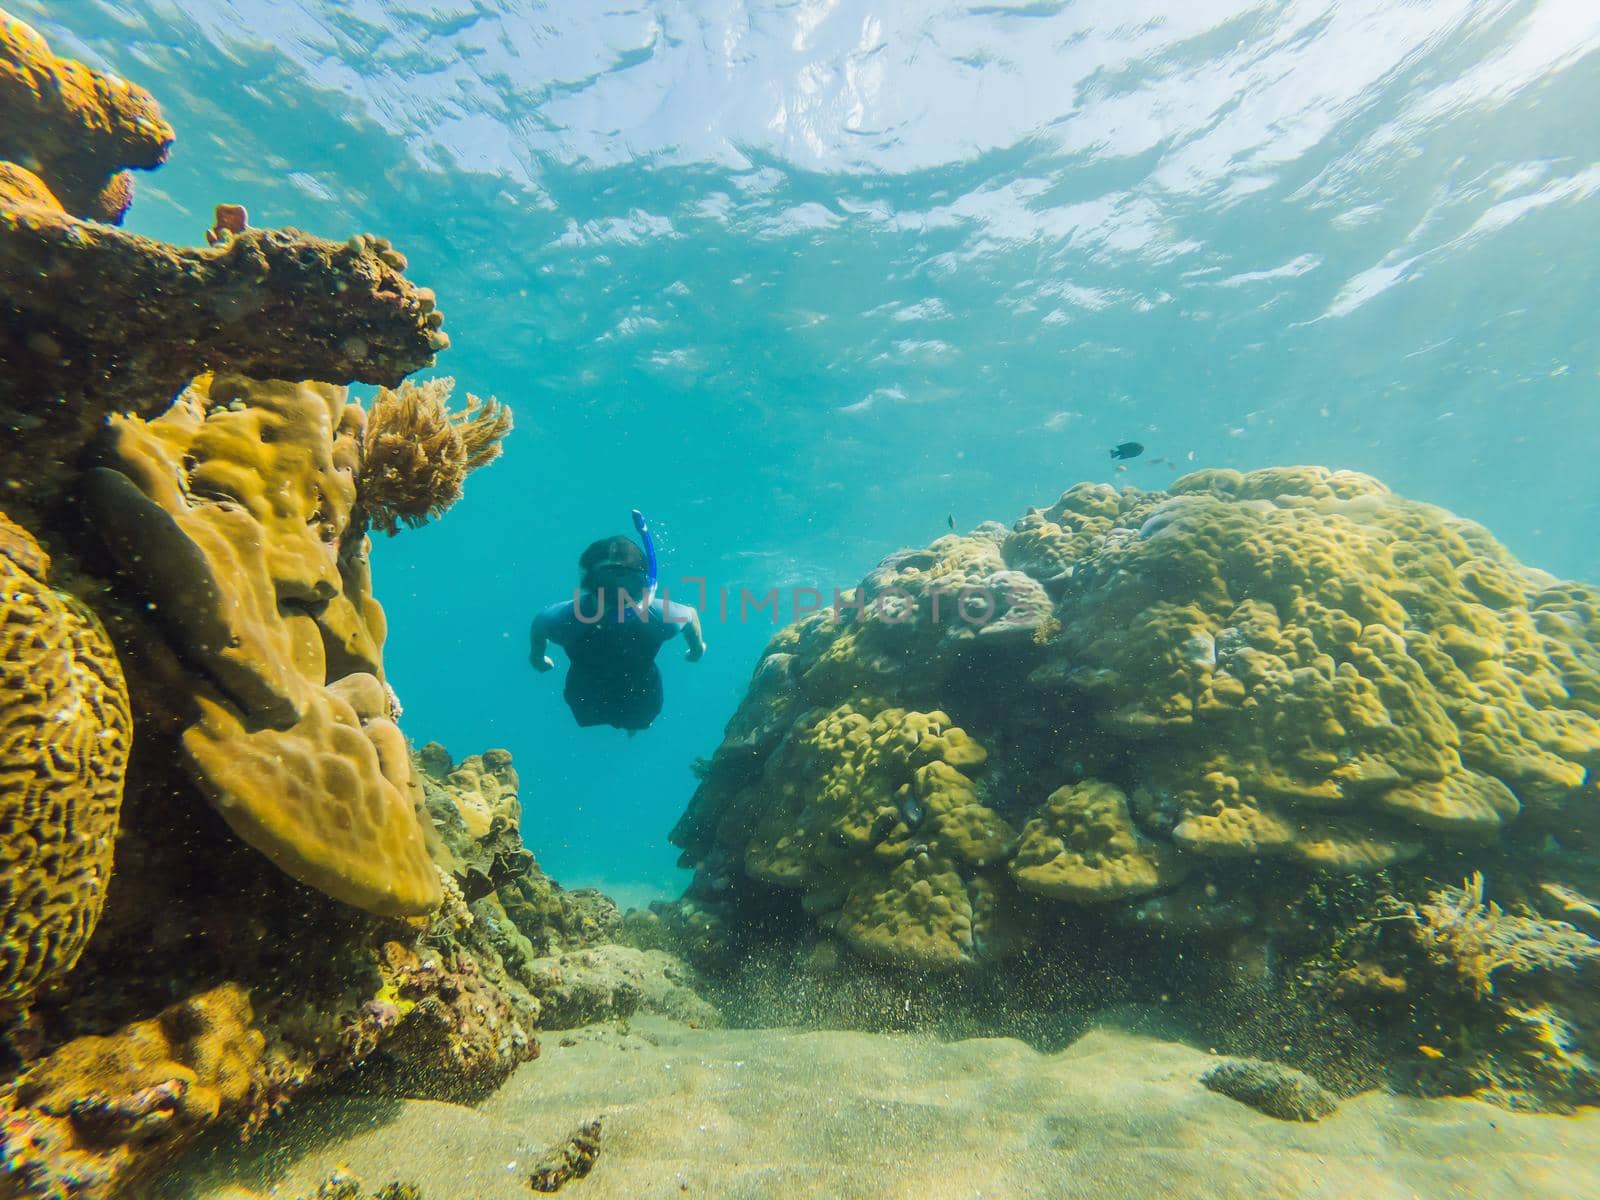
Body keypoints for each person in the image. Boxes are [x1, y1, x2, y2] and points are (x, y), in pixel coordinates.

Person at [529, 512, 705, 731]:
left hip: (639, 694)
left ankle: (634, 727)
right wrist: (696, 649)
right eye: (606, 585)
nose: (619, 597)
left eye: (628, 584)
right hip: (587, 696)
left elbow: (690, 615)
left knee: (641, 722)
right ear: (589, 583)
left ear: (644, 584)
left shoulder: (566, 621)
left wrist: (538, 657)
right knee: (590, 719)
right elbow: (540, 625)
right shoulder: (566, 620)